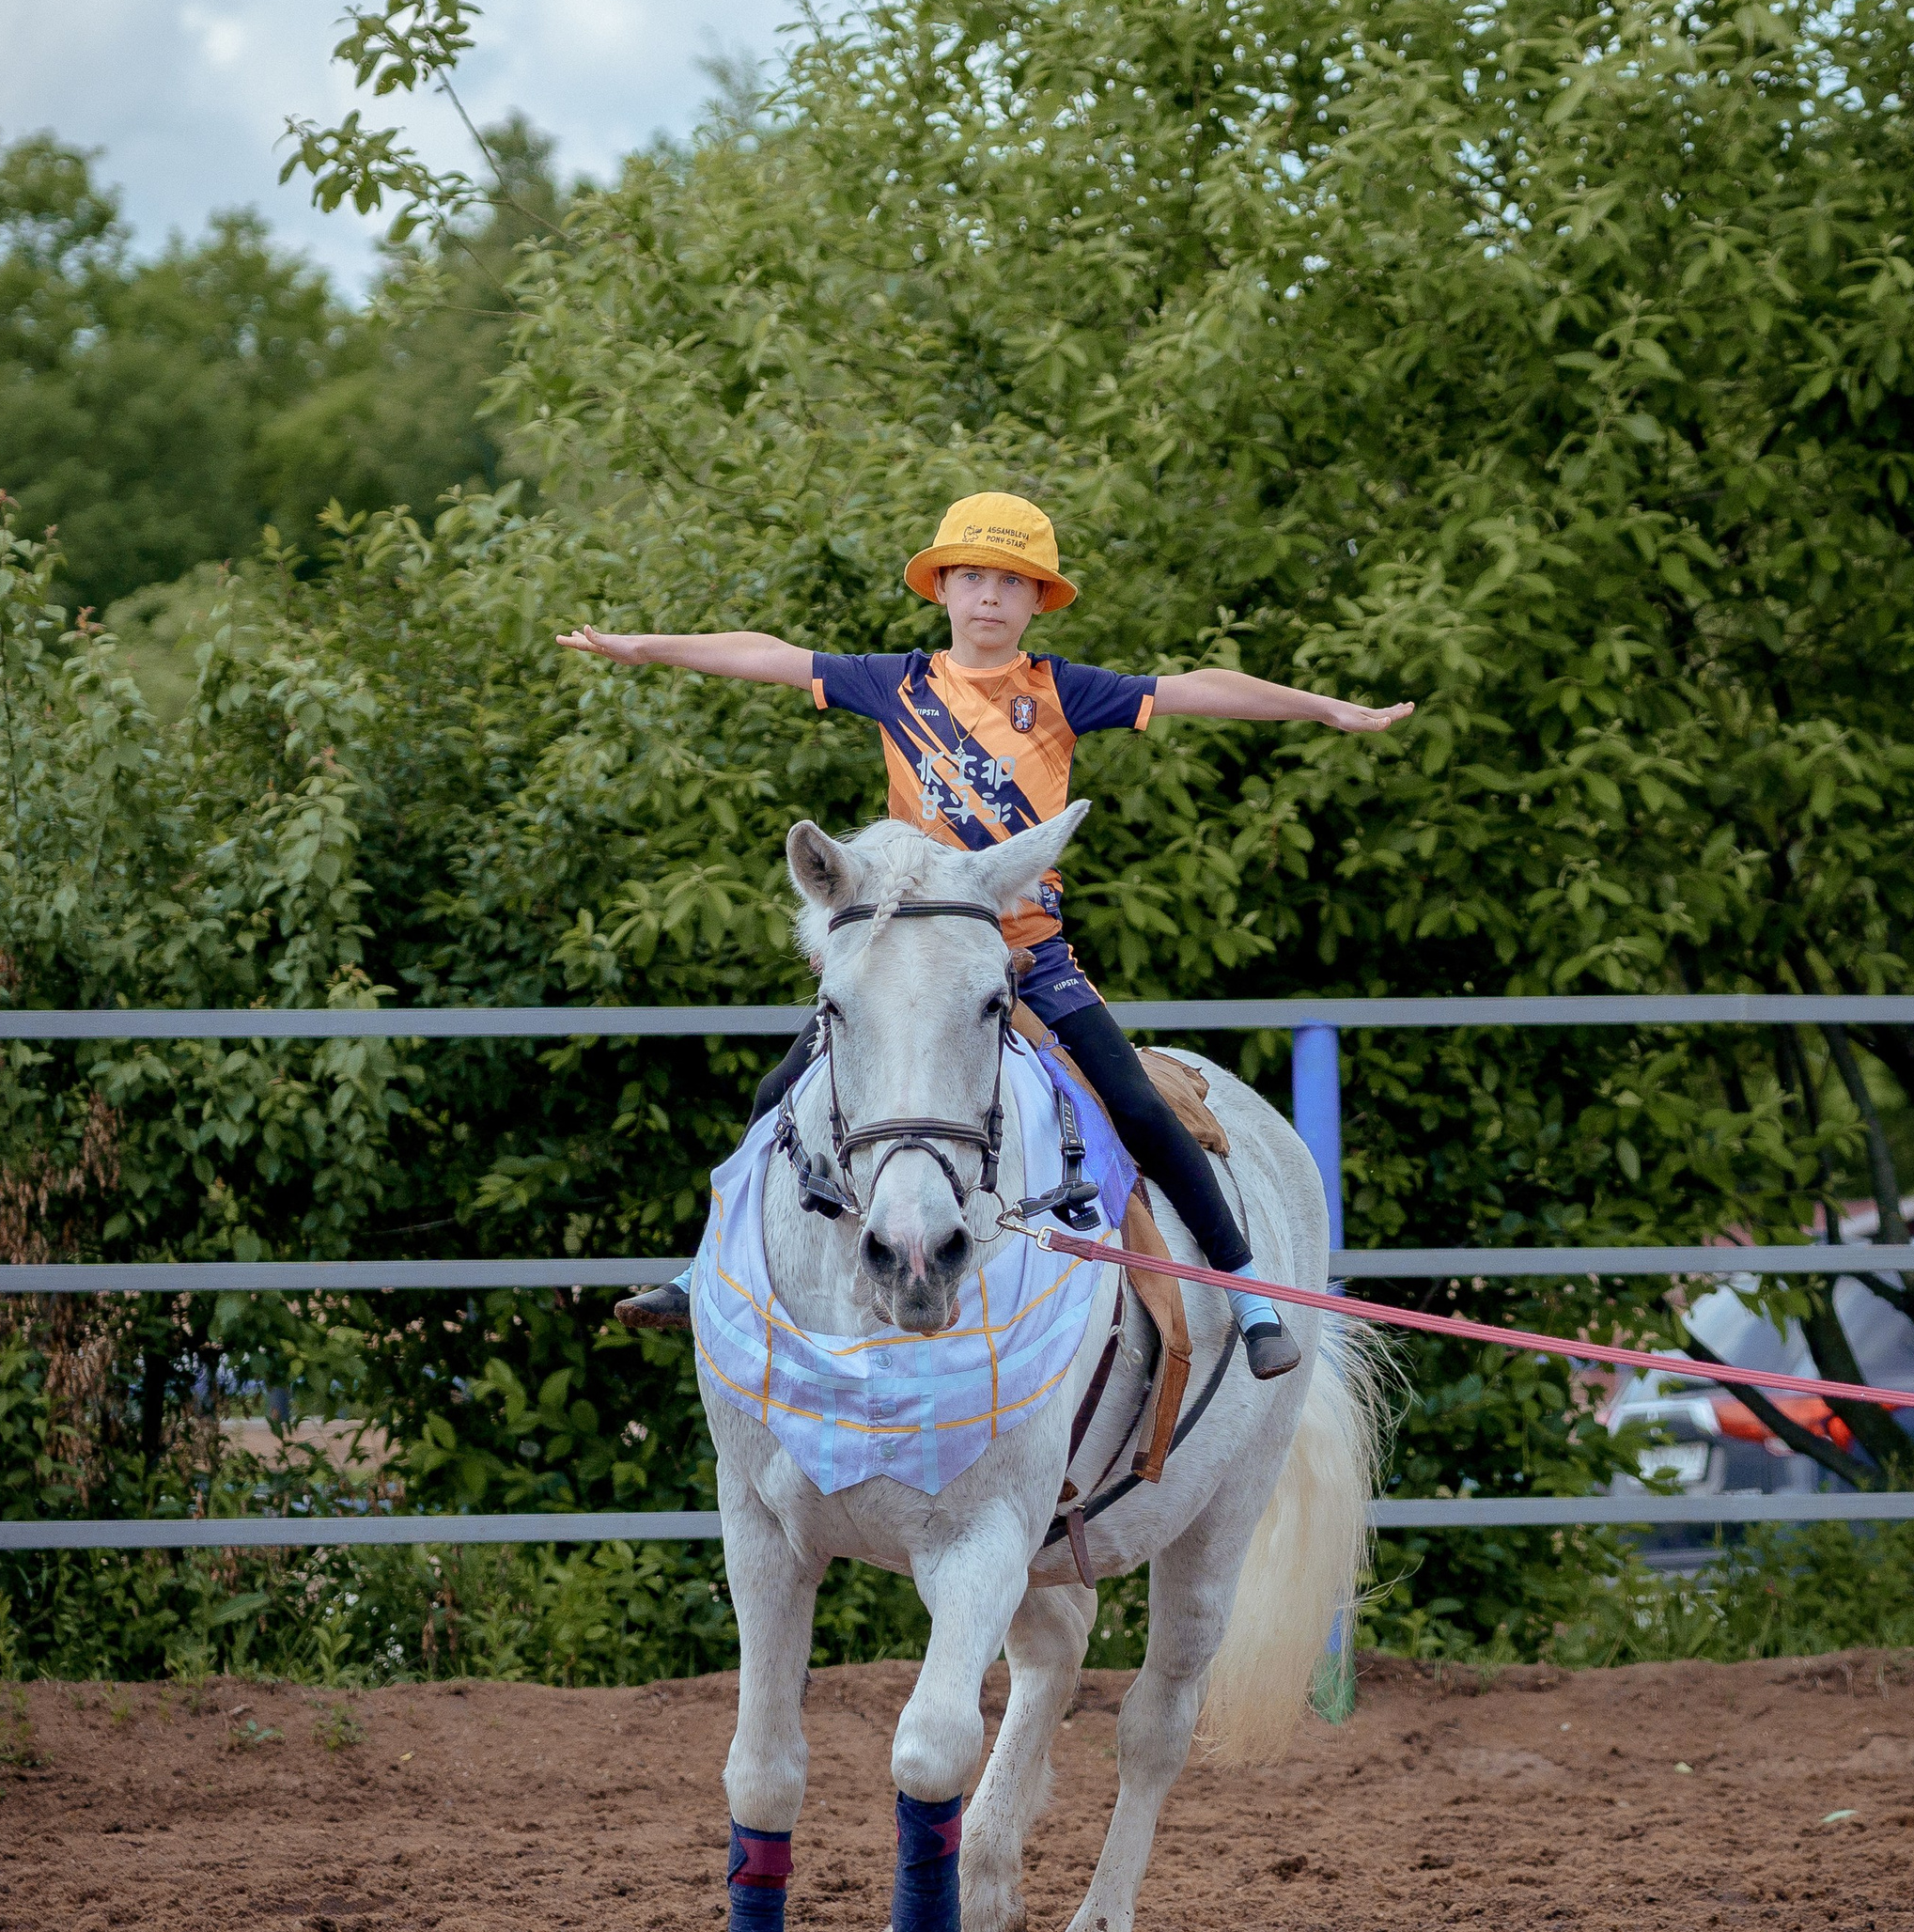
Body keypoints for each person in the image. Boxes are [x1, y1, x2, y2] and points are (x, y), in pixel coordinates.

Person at [559, 491, 1415, 1379]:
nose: (991, 597)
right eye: (972, 577)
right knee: (779, 1095)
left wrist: (1323, 708)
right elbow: (769, 655)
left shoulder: (1061, 690)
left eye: (1012, 581)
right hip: (911, 958)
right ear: (943, 590)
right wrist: (640, 647)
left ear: (1039, 600)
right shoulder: (896, 683)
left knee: (1138, 1104)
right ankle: (705, 1268)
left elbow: (1195, 690)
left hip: (1027, 954)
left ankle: (1251, 1296)